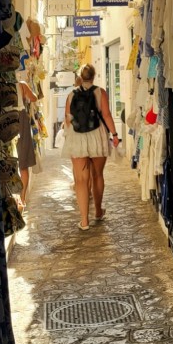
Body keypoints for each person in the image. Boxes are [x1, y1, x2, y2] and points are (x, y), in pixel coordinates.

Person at [63, 64, 119, 231]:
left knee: (81, 180)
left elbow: (67, 119)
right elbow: (107, 115)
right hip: (97, 136)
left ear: (80, 77)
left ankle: (84, 220)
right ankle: (98, 211)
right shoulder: (100, 92)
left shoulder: (71, 95)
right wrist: (115, 135)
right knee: (97, 175)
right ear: (94, 76)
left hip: (78, 138)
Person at [17, 79, 38, 210]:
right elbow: (34, 98)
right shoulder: (21, 84)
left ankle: (18, 198)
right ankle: (22, 198)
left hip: (4, 117)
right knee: (23, 162)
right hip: (20, 118)